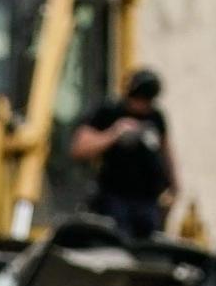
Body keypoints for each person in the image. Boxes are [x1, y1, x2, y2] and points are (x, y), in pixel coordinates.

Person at [72, 66, 178, 241]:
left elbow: (166, 150)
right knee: (118, 240)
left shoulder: (156, 116)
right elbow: (79, 148)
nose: (144, 105)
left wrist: (174, 186)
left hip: (148, 199)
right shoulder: (109, 112)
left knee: (148, 244)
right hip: (115, 197)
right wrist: (114, 134)